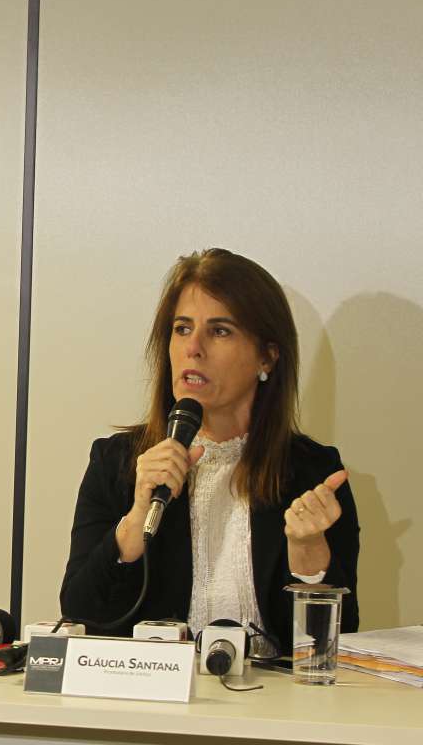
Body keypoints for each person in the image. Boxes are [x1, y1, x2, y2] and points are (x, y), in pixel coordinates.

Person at [59, 248, 359, 656]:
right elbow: (81, 614)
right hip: (149, 706)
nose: (193, 348)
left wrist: (308, 556)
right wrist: (135, 521)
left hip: (273, 709)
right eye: (182, 329)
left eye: (220, 331)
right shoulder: (119, 463)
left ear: (267, 356)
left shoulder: (313, 474)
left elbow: (329, 648)